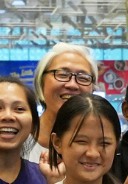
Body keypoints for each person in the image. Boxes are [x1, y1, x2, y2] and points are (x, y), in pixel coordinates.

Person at [31, 43, 99, 174]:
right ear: (41, 81)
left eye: (83, 77)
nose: (72, 85)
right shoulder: (18, 141)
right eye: (62, 74)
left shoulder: (101, 144)